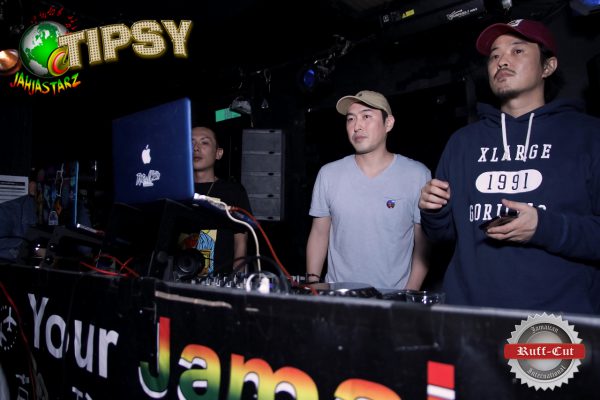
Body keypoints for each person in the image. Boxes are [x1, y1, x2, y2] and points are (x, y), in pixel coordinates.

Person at [418, 19, 600, 314]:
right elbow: (442, 236)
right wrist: (434, 211)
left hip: (554, 325)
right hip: (469, 319)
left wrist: (544, 227)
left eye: (517, 51)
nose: (501, 60)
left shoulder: (589, 135)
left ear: (548, 66)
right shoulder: (462, 142)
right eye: (494, 55)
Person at [306, 90, 431, 290]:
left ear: (388, 123)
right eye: (350, 119)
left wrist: (409, 294)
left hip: (392, 299)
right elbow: (319, 233)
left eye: (366, 116)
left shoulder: (417, 175)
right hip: (338, 297)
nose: (357, 126)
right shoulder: (328, 174)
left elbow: (423, 242)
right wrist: (313, 283)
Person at [185, 126, 252, 275]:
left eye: (204, 142)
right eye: (191, 142)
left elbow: (241, 241)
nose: (196, 148)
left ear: (218, 153)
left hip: (219, 279)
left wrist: (236, 278)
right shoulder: (176, 190)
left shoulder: (233, 191)